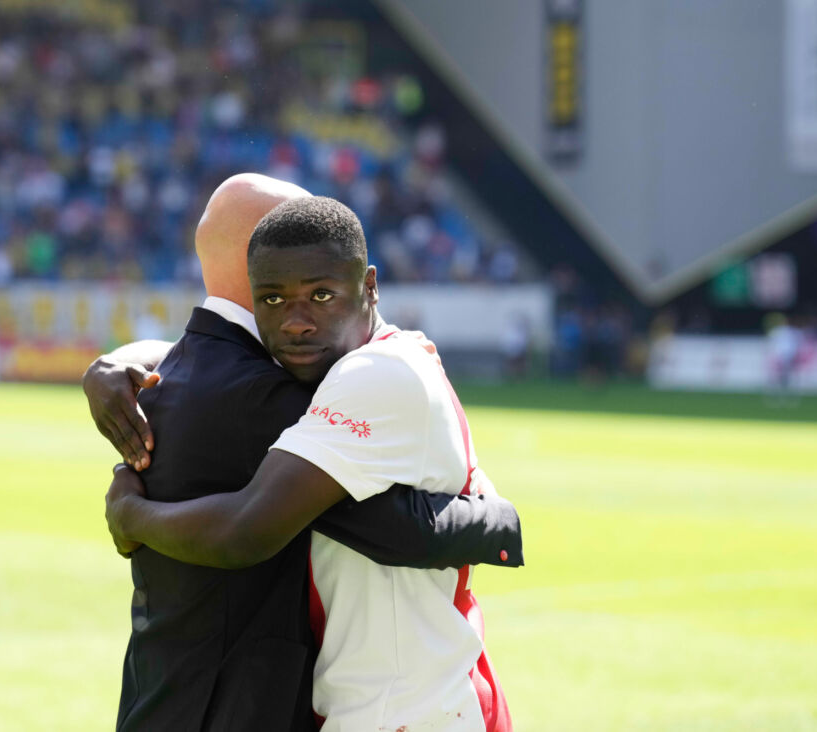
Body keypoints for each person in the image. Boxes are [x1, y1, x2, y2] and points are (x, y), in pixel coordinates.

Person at [82, 175, 522, 731]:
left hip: (182, 699)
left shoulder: (169, 379)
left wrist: (105, 374)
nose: (297, 318)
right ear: (257, 271)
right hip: (255, 709)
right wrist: (493, 520)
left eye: (320, 291)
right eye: (277, 293)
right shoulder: (281, 390)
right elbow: (390, 524)